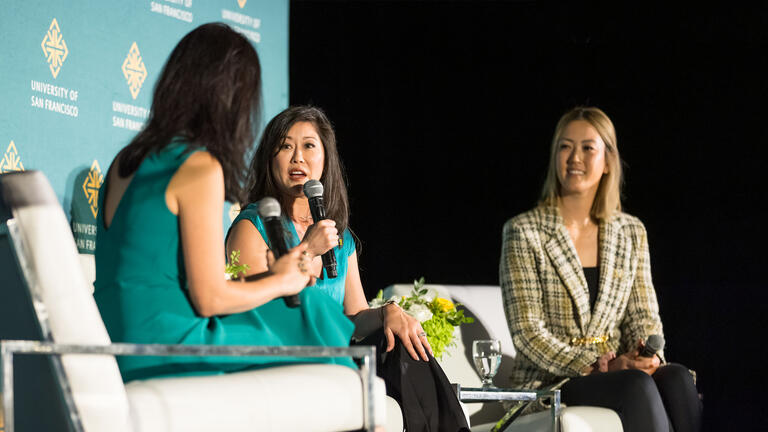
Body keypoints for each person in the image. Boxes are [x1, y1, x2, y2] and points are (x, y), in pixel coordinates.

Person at [93, 23, 355, 382]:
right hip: (165, 347)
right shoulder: (199, 165)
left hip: (113, 342)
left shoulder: (126, 159)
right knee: (313, 309)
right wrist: (283, 279)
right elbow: (210, 299)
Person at [226, 105, 469, 431]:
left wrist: (386, 313)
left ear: (326, 159)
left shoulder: (338, 236)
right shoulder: (254, 224)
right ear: (271, 161)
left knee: (401, 344)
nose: (298, 157)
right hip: (283, 351)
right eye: (285, 146)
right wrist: (308, 251)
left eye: (309, 146)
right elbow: (250, 307)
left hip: (337, 349)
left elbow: (354, 317)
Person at [499, 106, 702, 432]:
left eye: (587, 148)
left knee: (676, 377)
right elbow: (528, 334)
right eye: (565, 146)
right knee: (635, 386)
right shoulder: (524, 231)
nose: (574, 157)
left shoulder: (630, 231)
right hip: (552, 380)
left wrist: (646, 354)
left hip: (622, 368)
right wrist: (596, 366)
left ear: (608, 161)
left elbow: (644, 316)